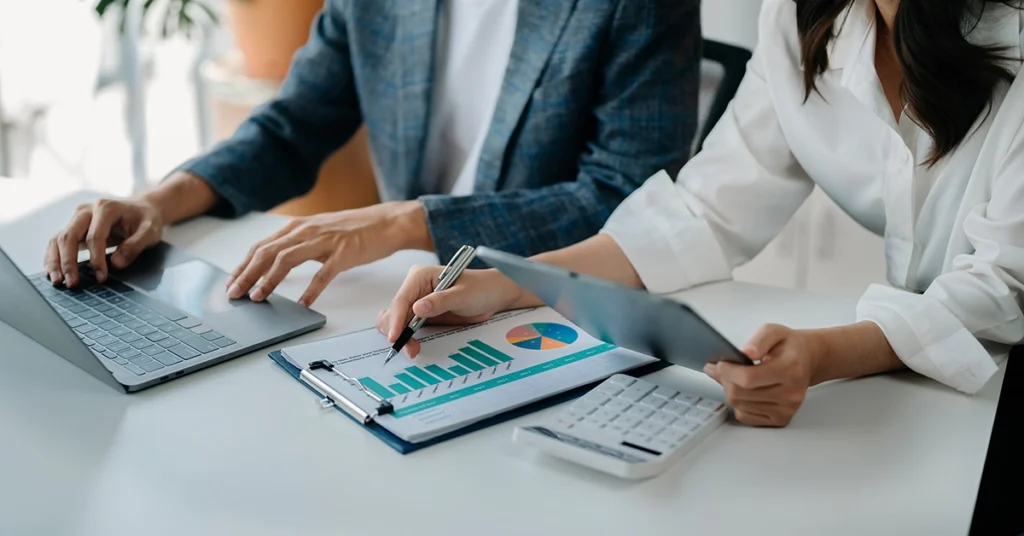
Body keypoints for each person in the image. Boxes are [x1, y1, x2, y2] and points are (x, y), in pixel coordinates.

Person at [378, 0, 1024, 427]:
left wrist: (821, 356)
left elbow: (1003, 284)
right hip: (925, 401)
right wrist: (512, 283)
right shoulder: (805, 16)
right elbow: (707, 208)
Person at [43, 0, 701, 306]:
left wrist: (405, 221)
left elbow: (624, 197)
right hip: (397, 302)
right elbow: (295, 122)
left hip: (549, 306)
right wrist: (158, 202)